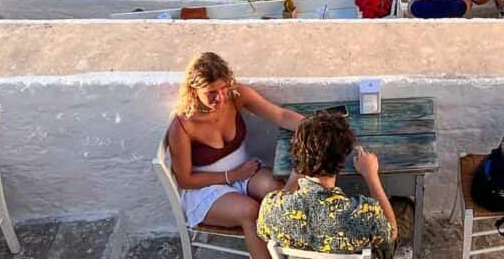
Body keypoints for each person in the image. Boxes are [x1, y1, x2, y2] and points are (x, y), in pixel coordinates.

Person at [169, 52, 305, 259]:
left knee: (277, 191)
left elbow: (281, 115)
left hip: (244, 171)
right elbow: (185, 180)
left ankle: (291, 252)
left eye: (224, 88)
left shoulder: (237, 96)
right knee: (250, 212)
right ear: (193, 91)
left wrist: (315, 127)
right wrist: (230, 176)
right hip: (206, 188)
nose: (220, 98)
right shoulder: (183, 125)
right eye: (211, 92)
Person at [257, 111, 395, 259]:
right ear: (342, 158)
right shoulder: (365, 215)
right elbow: (391, 233)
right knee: (405, 205)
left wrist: (301, 166)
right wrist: (371, 175)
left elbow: (264, 229)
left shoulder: (271, 208)